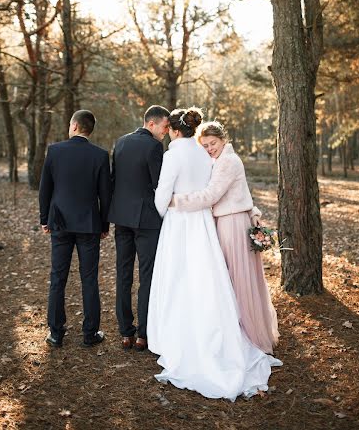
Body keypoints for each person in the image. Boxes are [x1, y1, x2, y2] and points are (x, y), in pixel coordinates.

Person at [147, 108, 281, 400]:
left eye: (212, 143)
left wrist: (167, 207)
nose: (209, 146)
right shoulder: (205, 155)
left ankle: (178, 335)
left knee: (179, 275)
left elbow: (165, 195)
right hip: (207, 222)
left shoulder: (177, 155)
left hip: (184, 219)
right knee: (212, 277)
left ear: (172, 129)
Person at [173, 121, 279, 355]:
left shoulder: (228, 161)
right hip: (230, 221)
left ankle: (249, 336)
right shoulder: (220, 161)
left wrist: (177, 201)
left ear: (223, 140)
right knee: (232, 278)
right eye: (206, 145)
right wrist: (253, 211)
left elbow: (211, 195)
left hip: (231, 224)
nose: (210, 148)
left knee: (236, 279)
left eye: (213, 143)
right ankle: (236, 331)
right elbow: (243, 192)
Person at [39, 110, 111, 348]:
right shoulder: (100, 156)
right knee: (89, 278)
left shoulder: (55, 151)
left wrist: (44, 219)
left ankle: (56, 333)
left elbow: (45, 189)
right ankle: (90, 334)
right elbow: (105, 195)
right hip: (89, 225)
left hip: (59, 222)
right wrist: (103, 225)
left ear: (73, 126)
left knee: (57, 277)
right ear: (89, 130)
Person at [108, 105, 170, 351]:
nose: (166, 132)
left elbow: (115, 180)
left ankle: (126, 332)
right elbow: (159, 184)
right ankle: (144, 334)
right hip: (146, 220)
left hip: (122, 219)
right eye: (165, 126)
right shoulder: (154, 147)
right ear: (152, 124)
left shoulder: (121, 143)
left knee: (123, 275)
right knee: (147, 276)